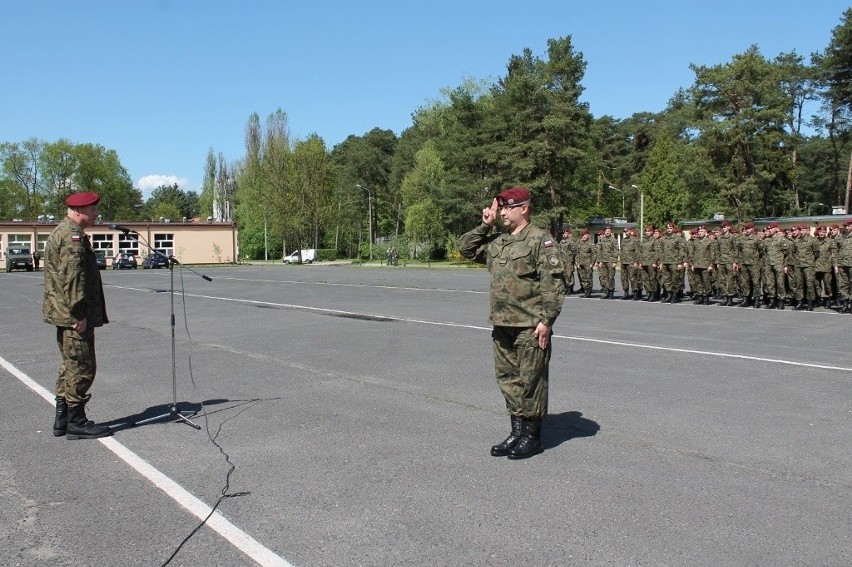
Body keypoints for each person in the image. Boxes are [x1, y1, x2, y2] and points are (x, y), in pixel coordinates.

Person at [459, 187, 565, 459]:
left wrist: (547, 320)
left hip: (530, 325)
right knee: (508, 380)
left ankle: (533, 436)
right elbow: (466, 248)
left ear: (524, 209)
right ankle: (517, 431)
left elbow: (552, 283)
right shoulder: (499, 242)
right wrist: (485, 225)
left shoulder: (540, 240)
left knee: (532, 381)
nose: (502, 212)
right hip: (502, 324)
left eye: (507, 208)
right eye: (501, 208)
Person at [43, 192, 112, 440]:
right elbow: (73, 279)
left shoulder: (64, 232)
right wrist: (78, 313)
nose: (96, 214)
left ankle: (62, 419)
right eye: (93, 209)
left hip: (63, 314)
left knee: (69, 366)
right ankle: (77, 421)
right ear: (79, 211)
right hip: (73, 316)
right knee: (82, 366)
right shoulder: (72, 237)